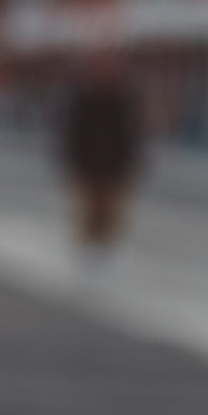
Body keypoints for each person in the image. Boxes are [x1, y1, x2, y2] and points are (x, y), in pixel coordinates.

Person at [58, 50, 143, 264]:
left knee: (113, 214)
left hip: (115, 167)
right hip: (88, 166)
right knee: (88, 212)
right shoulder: (83, 97)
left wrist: (132, 162)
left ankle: (107, 251)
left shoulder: (124, 98)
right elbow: (73, 133)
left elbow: (133, 134)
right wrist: (72, 160)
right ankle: (88, 253)